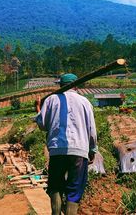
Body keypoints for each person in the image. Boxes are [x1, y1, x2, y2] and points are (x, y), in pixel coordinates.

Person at [35, 73, 97, 215]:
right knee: (74, 190)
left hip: (57, 150)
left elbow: (42, 125)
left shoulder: (51, 100)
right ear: (77, 85)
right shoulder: (85, 102)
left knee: (55, 186)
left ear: (60, 85)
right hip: (79, 151)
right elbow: (91, 130)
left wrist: (38, 109)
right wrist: (92, 149)